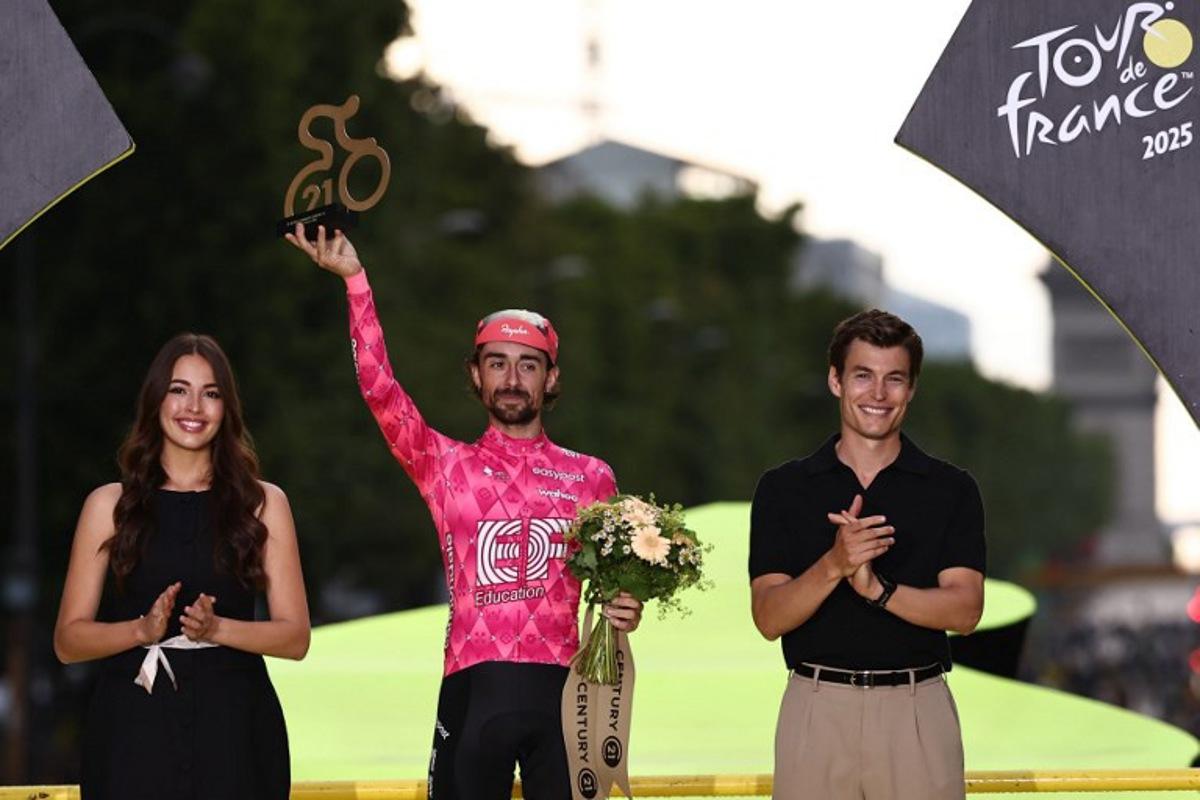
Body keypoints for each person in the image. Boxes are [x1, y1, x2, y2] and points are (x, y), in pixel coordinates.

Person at [285, 224, 642, 800]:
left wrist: (626, 607)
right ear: (475, 375)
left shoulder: (592, 476)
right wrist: (356, 282)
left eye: (528, 365)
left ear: (551, 379)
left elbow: (612, 591)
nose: (511, 378)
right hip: (473, 691)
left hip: (566, 696)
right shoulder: (444, 464)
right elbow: (381, 393)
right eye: (496, 363)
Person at [53, 334, 311, 800]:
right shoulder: (109, 505)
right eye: (179, 389)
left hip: (236, 728)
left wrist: (217, 629)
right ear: (155, 400)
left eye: (210, 393)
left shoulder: (264, 503)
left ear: (226, 408)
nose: (194, 406)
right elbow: (68, 641)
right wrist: (138, 631)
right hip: (134, 726)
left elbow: (295, 638)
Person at [748, 309, 985, 800]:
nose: (878, 395)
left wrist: (878, 590)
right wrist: (835, 564)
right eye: (863, 376)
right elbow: (769, 617)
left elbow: (965, 611)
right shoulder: (782, 489)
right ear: (836, 381)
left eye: (893, 379)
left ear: (911, 389)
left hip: (918, 711)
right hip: (816, 708)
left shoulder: (952, 489)